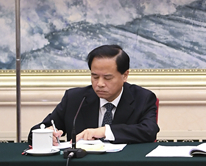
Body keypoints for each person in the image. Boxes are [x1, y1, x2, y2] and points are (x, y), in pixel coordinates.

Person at [29, 45, 159, 144]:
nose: (100, 84)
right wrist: (46, 134)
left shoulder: (143, 98)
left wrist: (104, 131)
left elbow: (149, 131)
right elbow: (37, 131)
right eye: (95, 77)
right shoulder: (75, 98)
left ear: (125, 75)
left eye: (107, 78)